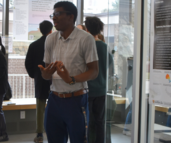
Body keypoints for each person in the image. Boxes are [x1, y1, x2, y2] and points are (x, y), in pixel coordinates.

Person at [40, 1, 99, 143]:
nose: (54, 18)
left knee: (78, 139)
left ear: (71, 17)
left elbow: (94, 71)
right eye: (53, 14)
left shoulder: (85, 39)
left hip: (76, 100)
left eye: (58, 14)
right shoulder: (50, 39)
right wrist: (47, 73)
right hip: (54, 99)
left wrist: (71, 79)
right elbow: (46, 74)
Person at [84, 16, 113, 143]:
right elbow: (110, 69)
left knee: (89, 121)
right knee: (100, 121)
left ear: (87, 29)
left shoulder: (86, 47)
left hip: (88, 90)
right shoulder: (105, 47)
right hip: (102, 89)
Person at [25, 20, 53, 143]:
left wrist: (34, 74)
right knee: (54, 105)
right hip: (54, 79)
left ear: (40, 30)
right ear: (51, 30)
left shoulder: (34, 45)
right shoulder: (54, 44)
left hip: (40, 79)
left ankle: (40, 134)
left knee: (40, 106)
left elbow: (28, 63)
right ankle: (53, 131)